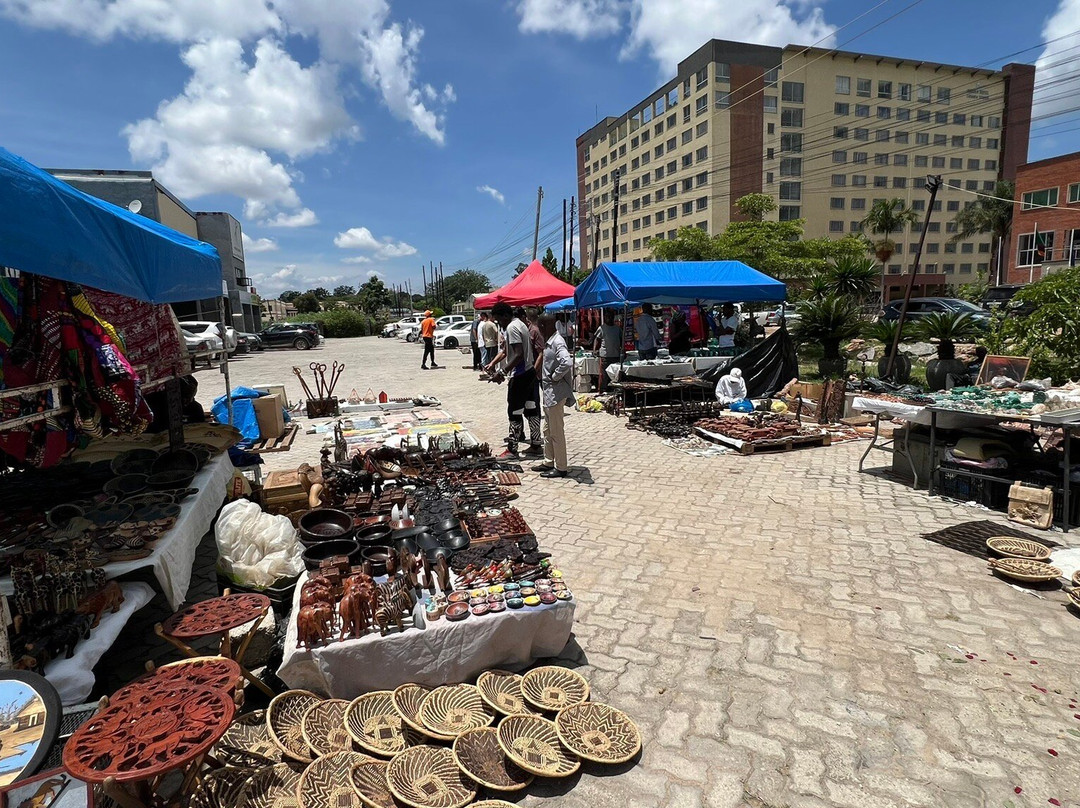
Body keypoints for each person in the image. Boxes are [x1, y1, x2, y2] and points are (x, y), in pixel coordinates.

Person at [484, 302, 537, 458]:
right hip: (530, 371)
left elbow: (518, 354)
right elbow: (508, 351)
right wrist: (494, 364)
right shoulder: (520, 324)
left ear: (505, 316)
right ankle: (535, 443)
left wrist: (502, 372)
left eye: (499, 320)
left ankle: (512, 448)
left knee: (514, 411)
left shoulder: (512, 328)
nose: (499, 323)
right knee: (531, 408)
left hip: (520, 374)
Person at [532, 313, 573, 478]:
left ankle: (561, 467)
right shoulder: (550, 342)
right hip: (549, 393)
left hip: (556, 393)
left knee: (556, 432)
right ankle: (548, 461)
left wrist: (554, 376)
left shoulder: (557, 342)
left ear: (544, 327)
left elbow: (567, 362)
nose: (539, 330)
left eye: (540, 327)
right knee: (547, 430)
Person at [592, 309, 623, 391]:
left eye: (611, 317)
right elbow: (597, 339)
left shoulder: (617, 328)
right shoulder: (602, 328)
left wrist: (623, 351)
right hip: (605, 356)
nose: (609, 318)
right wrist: (595, 349)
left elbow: (621, 340)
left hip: (616, 355)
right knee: (604, 375)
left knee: (615, 374)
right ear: (605, 318)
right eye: (607, 317)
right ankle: (602, 389)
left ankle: (614, 389)